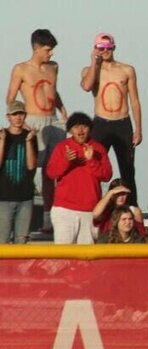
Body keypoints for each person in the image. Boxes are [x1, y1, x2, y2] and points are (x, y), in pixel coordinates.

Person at [6, 29, 68, 232]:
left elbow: (52, 89)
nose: (51, 54)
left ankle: (48, 220)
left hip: (53, 121)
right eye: (48, 50)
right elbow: (11, 98)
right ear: (37, 48)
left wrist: (62, 109)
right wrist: (21, 122)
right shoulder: (21, 69)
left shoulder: (53, 67)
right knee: (28, 170)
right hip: (32, 121)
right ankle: (21, 218)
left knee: (52, 173)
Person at [80, 32, 143, 207]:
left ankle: (131, 209)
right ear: (95, 49)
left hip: (123, 123)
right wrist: (94, 62)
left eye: (108, 48)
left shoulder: (126, 70)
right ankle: (92, 207)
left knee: (128, 170)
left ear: (114, 48)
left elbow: (135, 100)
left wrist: (138, 128)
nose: (105, 51)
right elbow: (86, 86)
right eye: (101, 48)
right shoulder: (89, 70)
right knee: (94, 168)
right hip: (101, 123)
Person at [45, 112, 112, 244]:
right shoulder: (62, 147)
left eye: (84, 127)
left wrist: (92, 159)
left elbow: (107, 175)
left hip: (89, 211)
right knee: (63, 258)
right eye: (76, 127)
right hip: (64, 210)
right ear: (70, 130)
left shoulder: (98, 148)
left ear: (90, 129)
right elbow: (51, 173)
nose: (80, 131)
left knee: (86, 260)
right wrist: (66, 161)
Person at [0, 101, 37, 243]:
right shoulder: (2, 135)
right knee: (2, 241)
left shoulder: (30, 137)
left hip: (25, 198)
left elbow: (31, 165)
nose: (18, 118)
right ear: (8, 117)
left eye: (20, 114)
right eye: (15, 114)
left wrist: (28, 142)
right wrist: (2, 141)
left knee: (21, 242)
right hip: (3, 198)